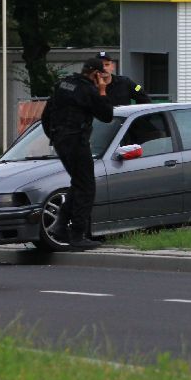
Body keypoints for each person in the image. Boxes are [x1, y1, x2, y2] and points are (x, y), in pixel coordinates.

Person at [43, 57, 113, 250]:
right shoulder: (89, 90)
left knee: (79, 182)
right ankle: (77, 235)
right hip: (76, 141)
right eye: (102, 74)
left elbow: (46, 115)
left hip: (60, 140)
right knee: (87, 186)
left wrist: (56, 137)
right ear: (96, 74)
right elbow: (107, 115)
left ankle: (59, 225)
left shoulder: (63, 84)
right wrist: (102, 90)